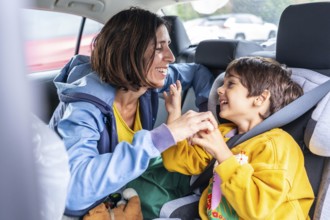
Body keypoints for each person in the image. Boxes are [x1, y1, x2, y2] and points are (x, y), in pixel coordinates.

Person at [48, 6, 216, 219]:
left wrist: (207, 112)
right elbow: (73, 194)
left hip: (115, 193)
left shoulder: (145, 82)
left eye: (169, 46)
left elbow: (196, 71)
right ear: (130, 53)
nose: (171, 57)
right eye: (158, 48)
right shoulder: (85, 107)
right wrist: (165, 136)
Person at [162, 56, 315, 219]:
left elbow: (258, 209)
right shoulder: (224, 134)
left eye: (231, 84)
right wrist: (174, 116)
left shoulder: (277, 145)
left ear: (260, 98)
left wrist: (222, 154)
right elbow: (175, 161)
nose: (219, 90)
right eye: (223, 83)